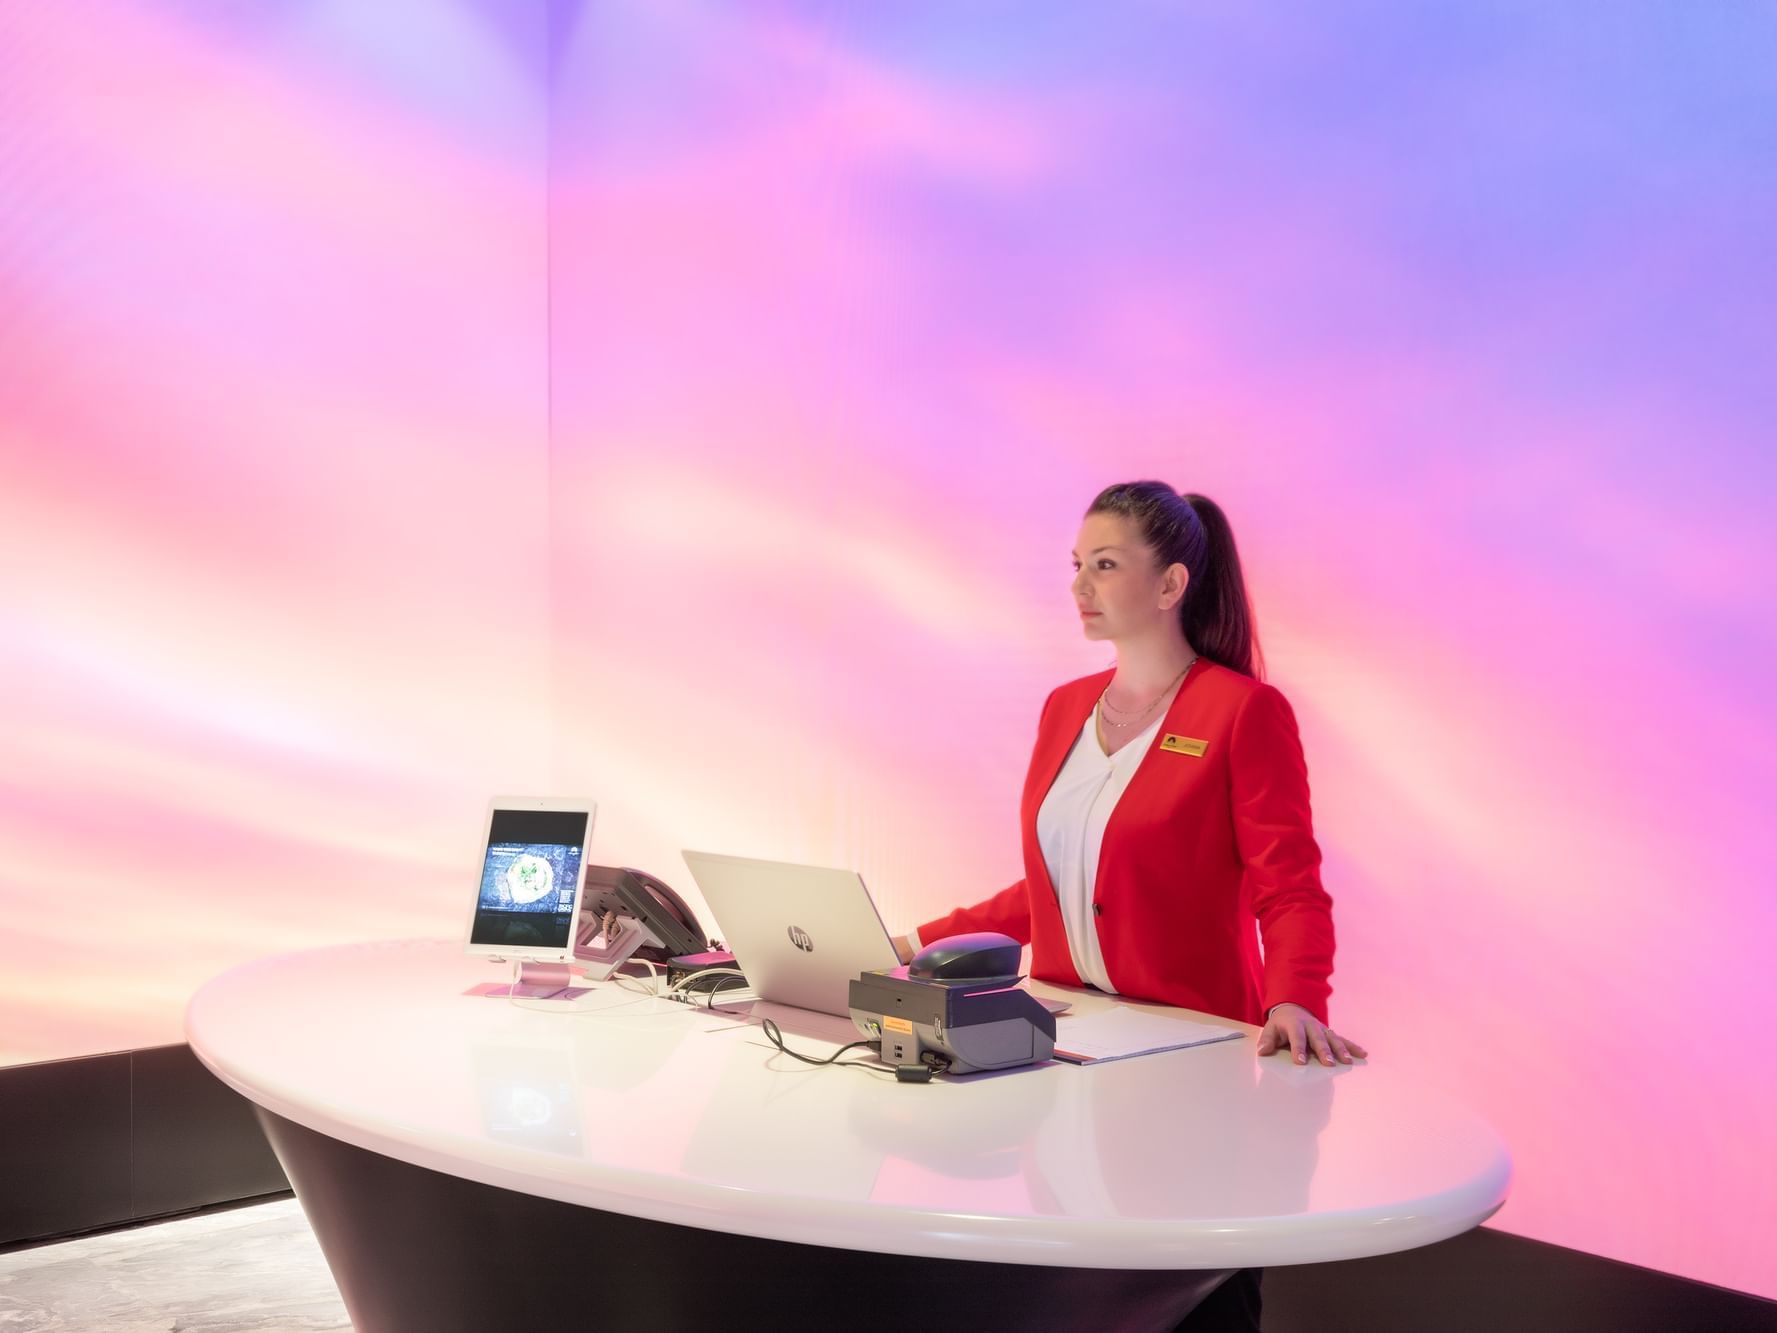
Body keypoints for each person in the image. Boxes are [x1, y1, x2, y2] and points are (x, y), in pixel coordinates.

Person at [893, 481, 1369, 1333]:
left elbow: (1288, 883)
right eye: (1076, 565)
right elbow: (1055, 885)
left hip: (1193, 1064)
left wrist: (1296, 996)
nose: (1080, 585)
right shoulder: (1063, 708)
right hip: (1066, 1046)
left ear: (1170, 584)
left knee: (1188, 1300)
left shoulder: (1242, 712)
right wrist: (914, 942)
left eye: (1104, 565)